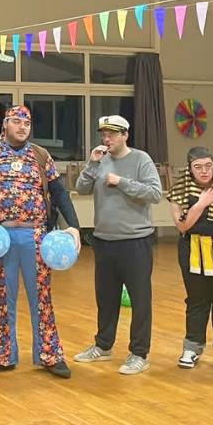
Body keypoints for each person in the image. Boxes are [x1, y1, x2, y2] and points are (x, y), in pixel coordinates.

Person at [0, 105, 80, 378]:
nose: (22, 127)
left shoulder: (40, 155)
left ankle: (50, 355)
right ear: (5, 124)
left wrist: (74, 226)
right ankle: (4, 354)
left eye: (26, 123)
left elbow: (59, 191)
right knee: (3, 297)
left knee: (42, 297)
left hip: (35, 235)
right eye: (16, 122)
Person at [73, 115, 162, 375]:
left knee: (140, 299)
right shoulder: (100, 160)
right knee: (106, 298)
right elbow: (81, 188)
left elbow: (155, 193)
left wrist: (121, 182)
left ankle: (139, 353)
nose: (107, 139)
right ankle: (103, 346)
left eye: (112, 134)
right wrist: (92, 163)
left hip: (135, 241)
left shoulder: (141, 159)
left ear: (125, 135)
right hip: (104, 240)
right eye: (103, 134)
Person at [166, 147, 213, 371]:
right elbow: (182, 226)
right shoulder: (179, 189)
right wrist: (200, 203)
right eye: (198, 167)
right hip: (191, 248)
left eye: (209, 165)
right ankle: (192, 346)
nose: (204, 171)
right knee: (196, 299)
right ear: (190, 169)